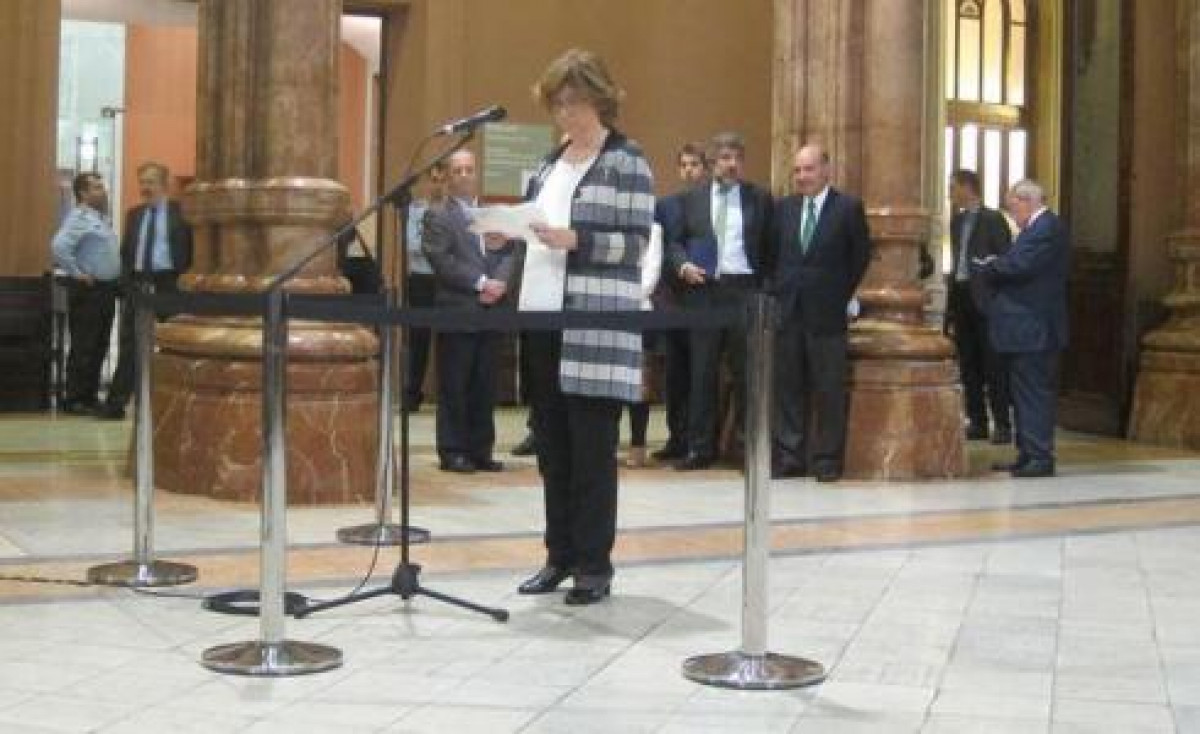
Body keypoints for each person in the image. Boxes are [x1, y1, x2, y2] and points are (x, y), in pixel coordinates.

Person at [508, 48, 653, 605]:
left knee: (591, 450)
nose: (563, 113)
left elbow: (636, 245)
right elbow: (534, 226)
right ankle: (558, 556)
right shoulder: (550, 162)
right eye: (556, 104)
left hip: (594, 326)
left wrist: (579, 240)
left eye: (572, 102)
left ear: (599, 98)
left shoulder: (627, 161)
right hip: (542, 316)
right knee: (552, 449)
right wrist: (507, 232)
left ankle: (593, 566)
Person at [665, 132, 773, 470]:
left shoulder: (760, 198)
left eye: (738, 158)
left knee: (745, 371)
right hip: (704, 290)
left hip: (743, 289)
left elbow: (770, 245)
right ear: (713, 163)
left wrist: (764, 288)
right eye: (726, 158)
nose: (732, 164)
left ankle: (746, 447)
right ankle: (700, 448)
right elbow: (675, 242)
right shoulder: (691, 198)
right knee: (702, 370)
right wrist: (683, 265)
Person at [771, 144, 872, 482]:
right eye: (797, 170)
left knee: (828, 388)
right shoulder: (784, 208)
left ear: (826, 170)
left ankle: (827, 458)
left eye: (809, 169)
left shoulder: (847, 208)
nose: (802, 176)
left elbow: (859, 256)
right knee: (788, 387)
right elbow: (772, 255)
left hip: (827, 313)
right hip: (788, 311)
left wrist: (837, 292)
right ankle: (790, 455)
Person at [422, 150, 513, 474]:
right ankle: (453, 451)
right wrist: (481, 283)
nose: (464, 175)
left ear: (477, 173)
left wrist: (500, 282)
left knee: (485, 386)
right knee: (455, 386)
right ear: (447, 176)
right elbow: (441, 259)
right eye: (457, 170)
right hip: (458, 310)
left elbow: (510, 251)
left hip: (492, 311)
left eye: (469, 169)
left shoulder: (493, 214)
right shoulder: (437, 215)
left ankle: (481, 450)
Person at [974, 179, 1069, 478]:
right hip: (1024, 329)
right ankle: (1028, 453)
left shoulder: (1046, 228)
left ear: (1027, 201)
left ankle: (1039, 456)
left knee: (1033, 393)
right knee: (1022, 392)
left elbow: (1020, 266)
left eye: (1013, 208)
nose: (1012, 216)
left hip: (1034, 328)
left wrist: (989, 266)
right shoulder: (1035, 229)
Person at [98, 162, 193, 420]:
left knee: (173, 342)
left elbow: (191, 251)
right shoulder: (134, 215)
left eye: (150, 182)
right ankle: (116, 404)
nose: (144, 187)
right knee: (130, 344)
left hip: (169, 284)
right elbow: (127, 252)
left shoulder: (182, 214)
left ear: (164, 184)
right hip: (139, 285)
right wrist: (126, 283)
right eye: (142, 182)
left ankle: (173, 400)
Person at [649, 142, 709, 462]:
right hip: (674, 299)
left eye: (694, 164)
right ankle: (676, 437)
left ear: (705, 168)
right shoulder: (666, 205)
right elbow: (659, 249)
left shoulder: (714, 202)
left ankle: (698, 442)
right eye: (683, 165)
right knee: (675, 373)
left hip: (705, 298)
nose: (688, 170)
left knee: (701, 373)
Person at [947, 168, 1012, 444]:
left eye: (953, 187)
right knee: (968, 362)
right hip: (962, 295)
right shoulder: (956, 221)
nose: (950, 193)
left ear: (967, 187)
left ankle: (1003, 424)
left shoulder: (993, 219)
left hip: (986, 300)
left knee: (992, 363)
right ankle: (977, 421)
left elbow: (1004, 259)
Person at [51, 172, 121, 415]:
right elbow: (59, 246)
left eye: (102, 186)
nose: (103, 191)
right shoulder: (79, 218)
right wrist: (77, 272)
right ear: (83, 193)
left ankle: (89, 396)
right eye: (97, 187)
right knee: (85, 345)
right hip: (89, 291)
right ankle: (75, 399)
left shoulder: (99, 218)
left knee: (100, 344)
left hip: (106, 291)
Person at [403, 163, 447, 412]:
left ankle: (447, 394)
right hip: (420, 278)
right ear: (426, 183)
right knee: (418, 337)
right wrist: (440, 249)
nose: (437, 186)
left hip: (446, 279)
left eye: (441, 180)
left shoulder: (452, 211)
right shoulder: (415, 210)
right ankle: (412, 393)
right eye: (433, 180)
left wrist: (435, 249)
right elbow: (411, 245)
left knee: (448, 339)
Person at [622, 221, 663, 468]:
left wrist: (620, 295)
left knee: (640, 385)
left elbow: (651, 275)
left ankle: (638, 444)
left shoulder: (653, 228)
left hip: (639, 311)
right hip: (604, 313)